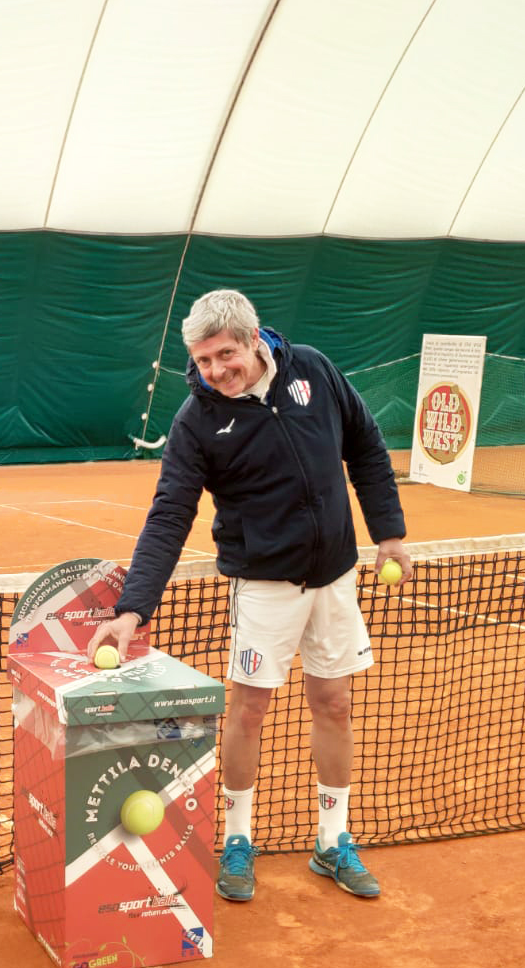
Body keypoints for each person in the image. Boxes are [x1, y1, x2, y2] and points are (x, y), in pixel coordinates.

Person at [87, 288, 412, 903]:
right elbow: (169, 515)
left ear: (254, 339)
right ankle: (238, 838)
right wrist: (133, 608)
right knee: (248, 710)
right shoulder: (198, 420)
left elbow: (365, 446)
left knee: (334, 703)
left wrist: (388, 532)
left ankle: (332, 840)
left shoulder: (312, 370)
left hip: (336, 575)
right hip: (263, 586)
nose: (215, 372)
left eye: (226, 355)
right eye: (204, 361)